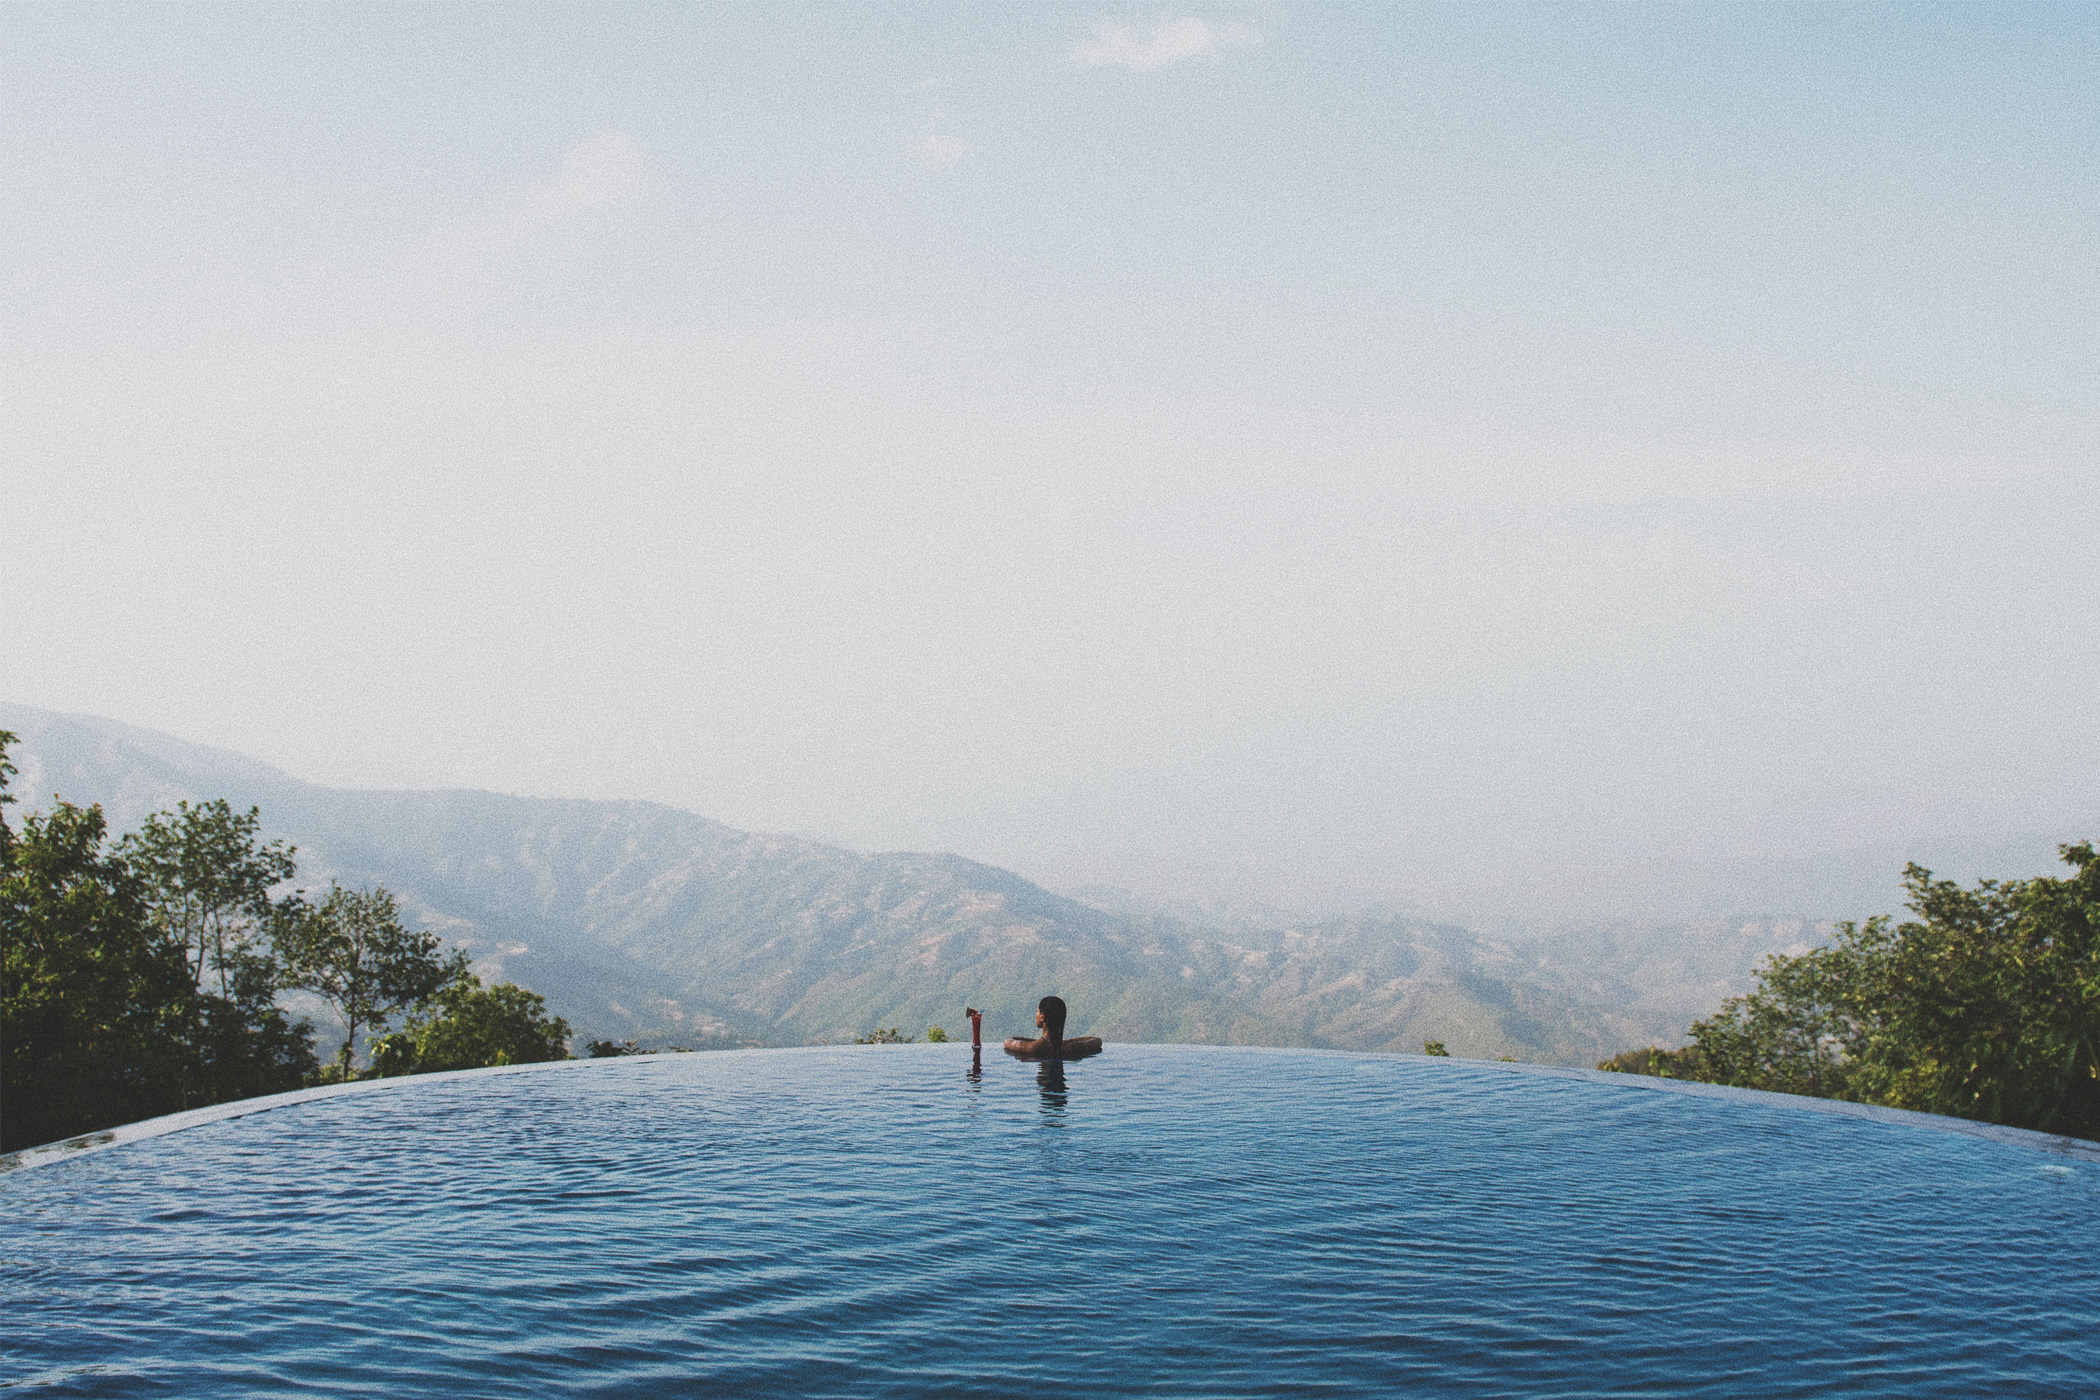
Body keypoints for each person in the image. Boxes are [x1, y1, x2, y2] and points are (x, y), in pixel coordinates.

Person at [1002, 995, 1102, 1059]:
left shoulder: (1031, 1048)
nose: (1035, 1014)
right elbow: (1096, 1041)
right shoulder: (1073, 1048)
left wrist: (1039, 1041)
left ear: (1042, 1017)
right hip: (1062, 1089)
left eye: (1037, 1011)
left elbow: (1008, 1041)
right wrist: (1065, 1042)